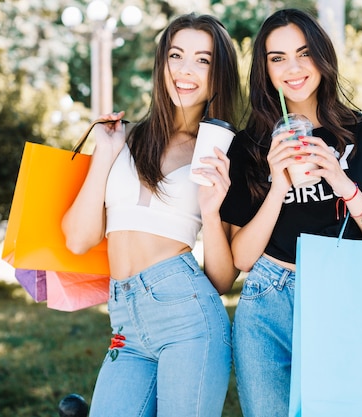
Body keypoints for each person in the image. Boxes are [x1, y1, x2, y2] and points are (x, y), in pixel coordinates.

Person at [219, 8, 362, 417]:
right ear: (265, 70)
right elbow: (240, 258)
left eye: (304, 53)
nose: (293, 68)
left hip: (349, 292)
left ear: (322, 58)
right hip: (269, 300)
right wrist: (279, 182)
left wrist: (342, 183)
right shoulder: (249, 146)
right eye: (278, 58)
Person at [61, 13, 241, 417]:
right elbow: (79, 238)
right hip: (125, 320)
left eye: (203, 60)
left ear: (218, 75)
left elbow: (222, 279)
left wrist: (211, 215)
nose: (185, 70)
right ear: (162, 63)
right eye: (176, 55)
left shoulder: (223, 150)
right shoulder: (127, 137)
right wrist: (105, 153)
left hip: (189, 319)